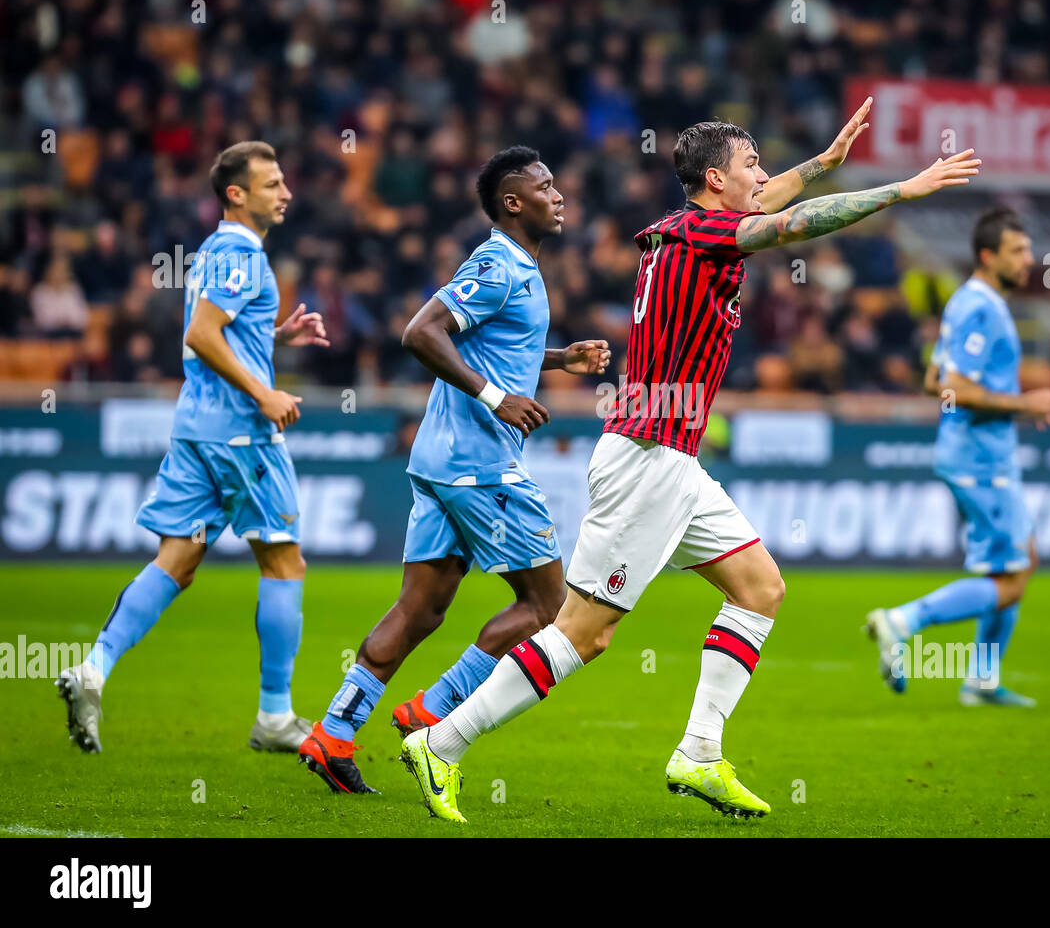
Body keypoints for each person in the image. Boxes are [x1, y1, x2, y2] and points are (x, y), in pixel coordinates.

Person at [399, 100, 982, 822]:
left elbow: (773, 201)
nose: (763, 176)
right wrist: (900, 189)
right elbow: (791, 223)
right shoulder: (710, 231)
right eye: (751, 166)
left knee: (760, 587)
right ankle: (443, 742)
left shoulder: (684, 228)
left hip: (669, 456)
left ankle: (700, 752)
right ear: (715, 180)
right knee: (585, 633)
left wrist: (825, 164)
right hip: (647, 455)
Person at [297, 146, 611, 794]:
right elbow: (421, 332)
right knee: (553, 608)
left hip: (444, 462)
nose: (559, 194)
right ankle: (434, 710)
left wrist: (558, 359)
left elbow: (489, 345)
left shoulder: (517, 266)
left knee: (421, 608)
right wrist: (497, 398)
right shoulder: (498, 261)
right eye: (544, 186)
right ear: (512, 203)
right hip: (480, 464)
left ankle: (332, 733)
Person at [57, 141, 329, 753]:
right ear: (236, 194)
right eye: (272, 184)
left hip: (196, 430)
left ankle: (92, 670)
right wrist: (264, 391)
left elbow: (220, 334)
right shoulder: (241, 252)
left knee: (177, 561)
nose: (285, 193)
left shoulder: (214, 251)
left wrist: (274, 335)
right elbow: (202, 334)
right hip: (242, 434)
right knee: (284, 563)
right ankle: (275, 717)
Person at [865, 208, 1050, 707]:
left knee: (1022, 558)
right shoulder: (981, 308)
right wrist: (1026, 402)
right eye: (1018, 251)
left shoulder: (968, 303)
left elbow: (934, 379)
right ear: (987, 255)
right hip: (980, 457)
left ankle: (982, 679)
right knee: (1012, 580)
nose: (1028, 260)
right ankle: (902, 621)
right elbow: (953, 387)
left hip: (981, 454)